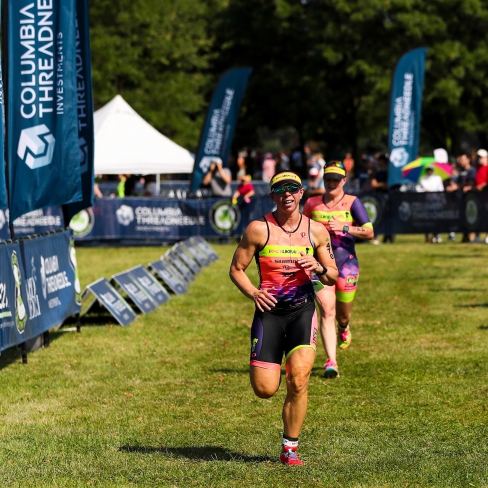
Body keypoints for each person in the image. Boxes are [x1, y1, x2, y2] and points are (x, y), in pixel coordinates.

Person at [229, 171, 338, 466]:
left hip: (302, 311)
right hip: (270, 314)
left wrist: (318, 267)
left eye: (292, 188)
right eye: (280, 189)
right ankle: (269, 364)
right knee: (265, 389)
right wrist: (253, 292)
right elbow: (236, 269)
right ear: (272, 196)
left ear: (302, 193)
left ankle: (290, 448)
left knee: (298, 379)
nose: (287, 194)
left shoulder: (316, 231)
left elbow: (332, 275)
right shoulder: (258, 229)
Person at [303, 161, 374, 378]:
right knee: (327, 310)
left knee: (342, 314)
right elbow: (301, 230)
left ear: (344, 180)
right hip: (319, 266)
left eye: (336, 179)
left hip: (347, 264)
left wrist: (344, 227)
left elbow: (370, 232)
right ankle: (331, 362)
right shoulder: (312, 203)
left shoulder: (352, 202)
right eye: (328, 178)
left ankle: (343, 327)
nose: (332, 182)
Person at [416, 164, 444, 243]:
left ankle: (436, 235)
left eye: (430, 170)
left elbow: (441, 189)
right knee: (426, 218)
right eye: (428, 170)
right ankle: (427, 237)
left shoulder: (437, 178)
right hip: (425, 200)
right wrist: (424, 190)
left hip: (435, 200)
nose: (429, 171)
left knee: (436, 218)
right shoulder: (422, 179)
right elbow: (418, 188)